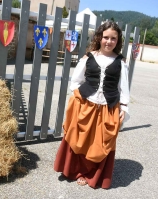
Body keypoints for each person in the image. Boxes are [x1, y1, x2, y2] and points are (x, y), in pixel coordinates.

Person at [54, 21, 130, 189]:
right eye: (106, 37)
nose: (109, 41)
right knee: (80, 139)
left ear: (118, 41)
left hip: (108, 107)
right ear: (99, 38)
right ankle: (77, 171)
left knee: (100, 143)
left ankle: (92, 174)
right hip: (86, 105)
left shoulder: (121, 62)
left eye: (113, 38)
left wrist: (123, 107)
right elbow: (75, 81)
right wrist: (81, 98)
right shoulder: (89, 57)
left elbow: (123, 88)